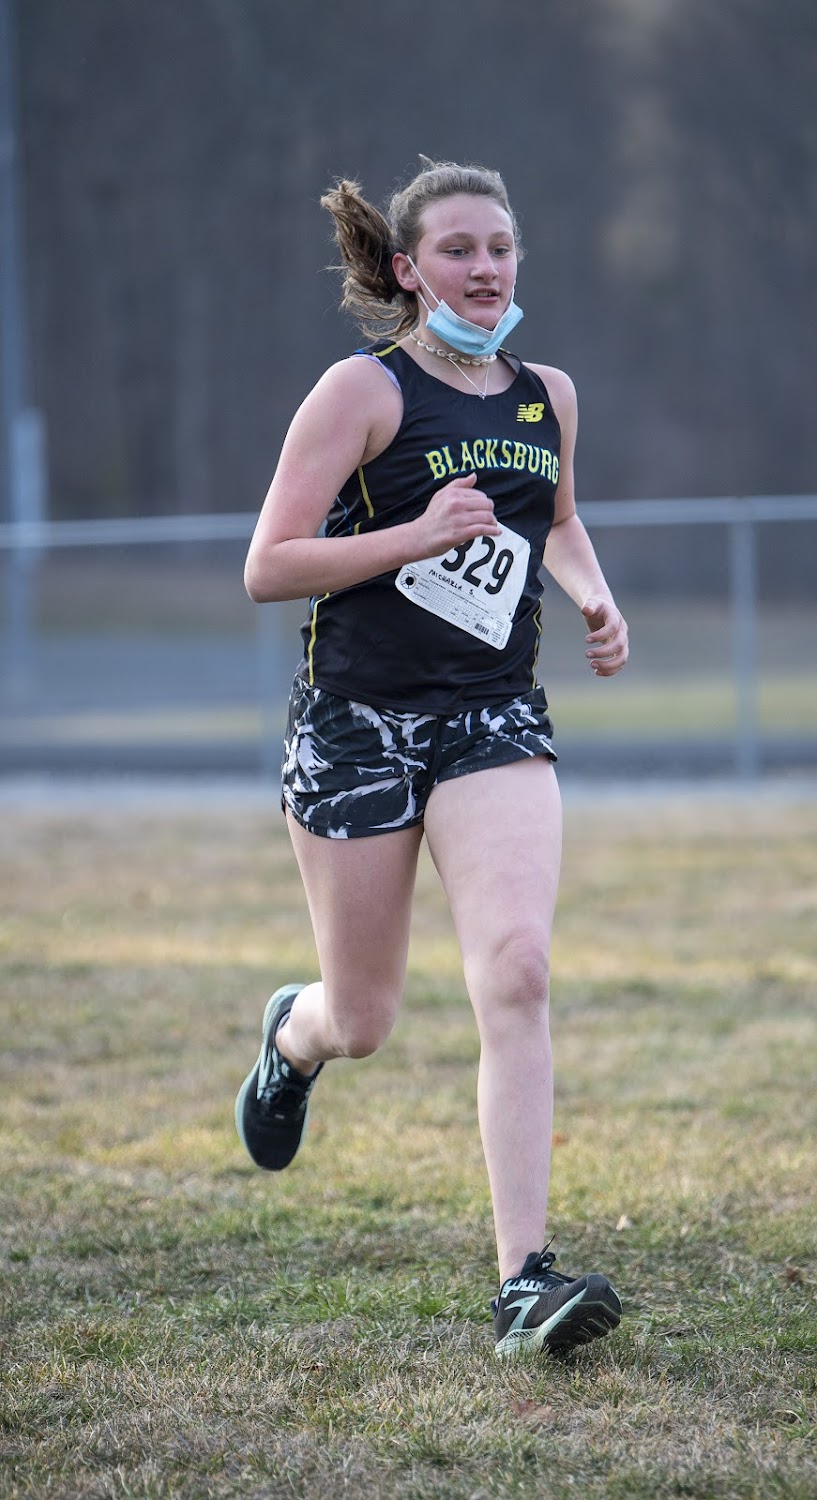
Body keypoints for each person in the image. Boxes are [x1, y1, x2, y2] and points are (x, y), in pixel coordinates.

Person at [235, 158, 629, 1361]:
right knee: (362, 1018)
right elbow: (268, 565)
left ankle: (522, 1282)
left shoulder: (547, 396)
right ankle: (292, 1039)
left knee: (517, 969)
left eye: (500, 246)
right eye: (459, 249)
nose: (486, 268)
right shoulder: (361, 390)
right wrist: (411, 535)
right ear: (409, 269)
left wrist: (594, 596)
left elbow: (556, 521)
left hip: (490, 716)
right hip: (357, 721)